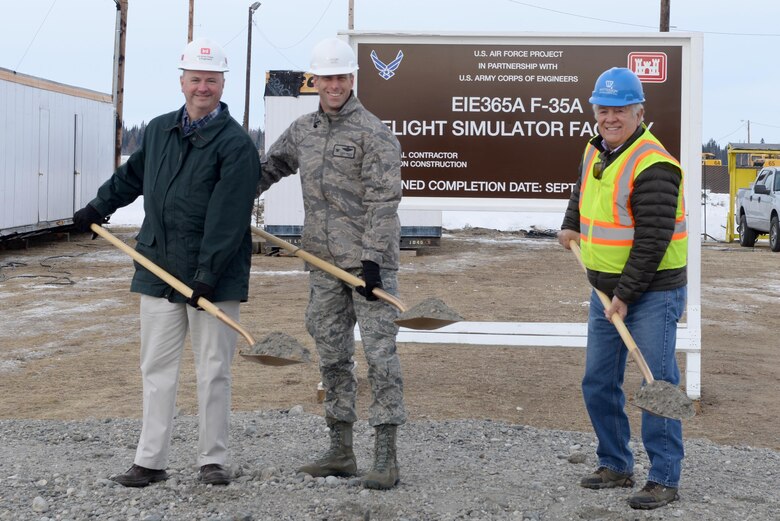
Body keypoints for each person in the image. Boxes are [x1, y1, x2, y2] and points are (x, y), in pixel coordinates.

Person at [72, 37, 260, 487]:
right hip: (157, 266)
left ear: (222, 83)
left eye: (211, 80)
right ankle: (150, 460)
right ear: (181, 82)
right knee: (155, 368)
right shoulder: (159, 130)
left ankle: (212, 459)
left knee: (213, 370)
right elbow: (131, 177)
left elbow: (227, 218)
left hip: (213, 278)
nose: (203, 87)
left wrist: (207, 276)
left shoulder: (235, 145)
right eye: (195, 78)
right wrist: (99, 206)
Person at [258, 37, 406, 490]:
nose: (334, 85)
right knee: (333, 355)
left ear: (351, 79)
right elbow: (271, 167)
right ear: (315, 81)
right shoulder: (304, 130)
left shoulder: (374, 133)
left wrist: (372, 260)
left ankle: (386, 454)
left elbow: (384, 200)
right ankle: (341, 448)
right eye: (327, 78)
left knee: (380, 355)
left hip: (368, 268)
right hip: (322, 264)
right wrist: (232, 195)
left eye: (342, 77)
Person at [557, 67, 687, 510]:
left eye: (619, 110)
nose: (610, 118)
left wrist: (625, 296)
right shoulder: (597, 149)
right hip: (604, 290)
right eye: (603, 110)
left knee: (657, 382)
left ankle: (664, 477)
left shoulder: (654, 165)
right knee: (598, 381)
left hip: (651, 293)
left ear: (639, 112)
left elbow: (652, 242)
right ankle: (615, 462)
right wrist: (571, 224)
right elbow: (582, 191)